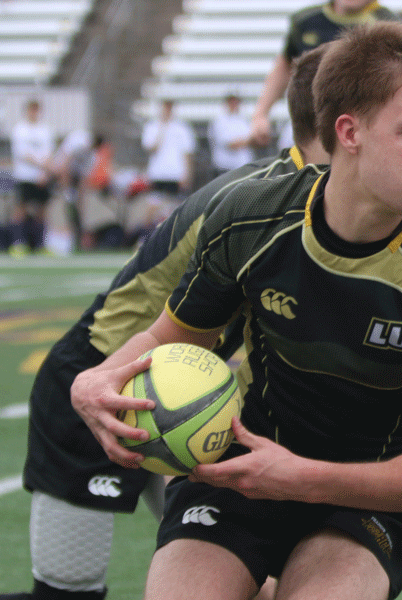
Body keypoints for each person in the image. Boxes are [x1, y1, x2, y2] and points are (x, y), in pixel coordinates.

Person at [70, 22, 402, 600]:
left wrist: (303, 479)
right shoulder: (251, 216)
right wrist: (92, 380)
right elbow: (174, 337)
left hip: (364, 496)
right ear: (349, 132)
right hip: (242, 466)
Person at [0, 48, 329, 600]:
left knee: (249, 582)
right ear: (345, 121)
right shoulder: (265, 200)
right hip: (101, 379)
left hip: (185, 390)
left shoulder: (306, 194)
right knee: (66, 595)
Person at [250, 0, 398, 146]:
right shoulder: (306, 20)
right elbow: (284, 67)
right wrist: (261, 114)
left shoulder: (392, 25)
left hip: (360, 129)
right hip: (307, 126)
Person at [135, 99, 197, 242]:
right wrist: (162, 129)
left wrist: (187, 174)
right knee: (153, 205)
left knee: (176, 207)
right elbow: (151, 148)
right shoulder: (152, 126)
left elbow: (187, 154)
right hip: (158, 173)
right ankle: (144, 238)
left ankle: (176, 239)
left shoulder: (182, 128)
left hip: (176, 173)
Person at [9, 98, 56, 256]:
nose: (34, 113)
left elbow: (49, 153)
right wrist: (42, 167)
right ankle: (18, 243)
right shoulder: (20, 129)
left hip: (42, 177)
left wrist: (45, 172)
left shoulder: (45, 130)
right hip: (25, 176)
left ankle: (40, 244)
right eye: (31, 109)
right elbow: (23, 154)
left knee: (42, 210)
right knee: (20, 209)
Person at [208, 94, 253, 179]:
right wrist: (247, 142)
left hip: (242, 168)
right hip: (225, 168)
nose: (234, 105)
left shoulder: (244, 120)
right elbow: (230, 145)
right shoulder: (219, 121)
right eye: (231, 102)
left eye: (236, 102)